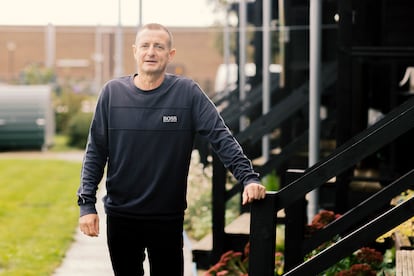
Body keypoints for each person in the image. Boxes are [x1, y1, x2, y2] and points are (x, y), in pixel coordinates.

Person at [77, 23, 266, 276]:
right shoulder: (112, 93)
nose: (151, 52)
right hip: (122, 217)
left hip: (167, 218)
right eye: (145, 46)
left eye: (159, 46)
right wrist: (86, 205)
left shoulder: (187, 94)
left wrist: (248, 178)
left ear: (170, 54)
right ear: (135, 51)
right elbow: (95, 152)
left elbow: (221, 137)